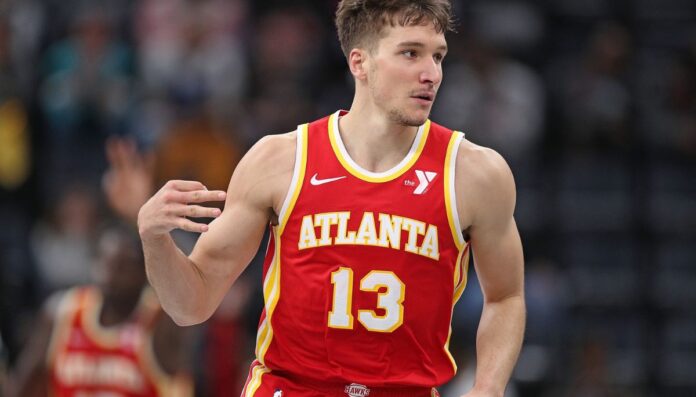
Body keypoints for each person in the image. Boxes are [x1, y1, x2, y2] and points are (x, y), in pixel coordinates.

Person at [137, 1, 526, 396]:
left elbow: (506, 296)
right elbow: (191, 305)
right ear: (360, 62)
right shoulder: (280, 160)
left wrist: (488, 387)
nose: (432, 74)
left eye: (438, 56)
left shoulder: (476, 173)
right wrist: (154, 239)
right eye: (411, 53)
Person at [5, 222, 193, 397]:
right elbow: (21, 388)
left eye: (123, 267)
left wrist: (149, 224)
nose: (111, 275)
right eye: (107, 263)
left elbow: (185, 288)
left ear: (145, 272)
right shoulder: (62, 312)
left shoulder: (159, 320)